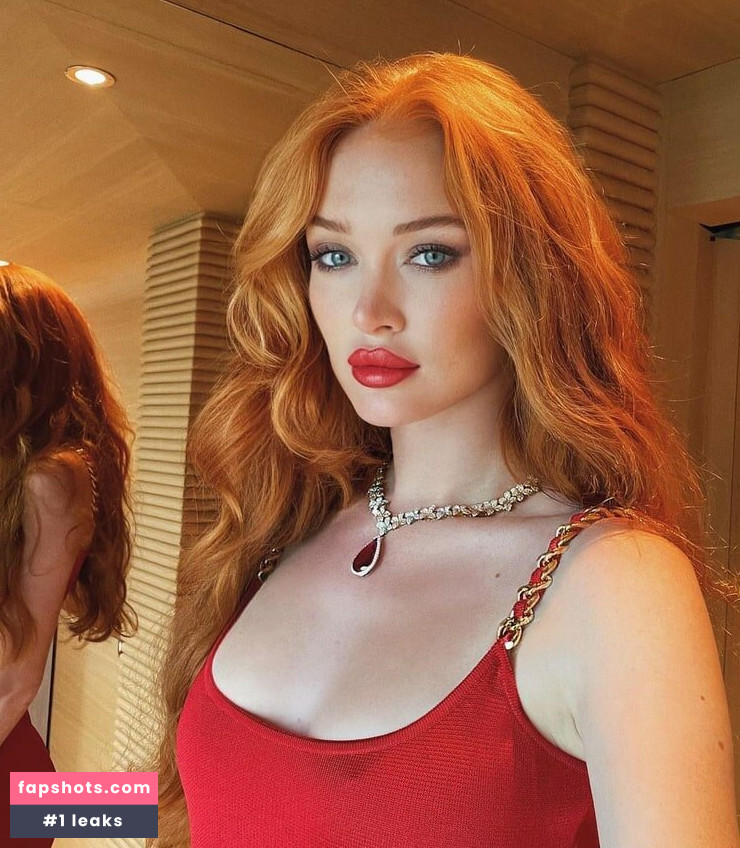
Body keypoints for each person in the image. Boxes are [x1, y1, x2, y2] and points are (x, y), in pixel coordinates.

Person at [152, 54, 739, 847]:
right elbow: (202, 801)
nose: (370, 311)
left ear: (531, 276)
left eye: (429, 253)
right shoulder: (287, 525)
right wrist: (36, 807)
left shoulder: (612, 586)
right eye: (334, 255)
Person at [0, 263, 135, 846]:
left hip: (11, 779)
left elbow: (15, 675)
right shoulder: (31, 468)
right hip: (23, 766)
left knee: (130, 811)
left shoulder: (52, 478)